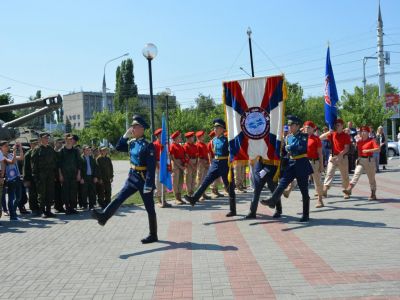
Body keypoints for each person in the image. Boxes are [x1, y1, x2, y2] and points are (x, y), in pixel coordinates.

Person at [91, 115, 158, 244]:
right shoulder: (131, 142)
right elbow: (118, 147)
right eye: (132, 126)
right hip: (132, 177)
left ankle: (153, 234)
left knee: (149, 207)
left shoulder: (148, 145)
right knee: (119, 198)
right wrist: (124, 136)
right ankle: (104, 216)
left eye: (135, 126)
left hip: (144, 179)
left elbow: (151, 167)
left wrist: (149, 184)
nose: (132, 128)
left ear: (142, 128)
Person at [261, 115, 313, 222]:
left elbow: (301, 147)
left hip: (301, 164)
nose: (289, 127)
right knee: (282, 184)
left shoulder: (303, 136)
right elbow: (285, 152)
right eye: (289, 125)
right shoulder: (288, 137)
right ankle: (272, 200)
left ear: (298, 126)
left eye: (292, 125)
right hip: (291, 163)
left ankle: (306, 214)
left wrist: (289, 147)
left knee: (304, 190)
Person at [184, 119, 236, 217]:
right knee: (206, 181)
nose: (215, 129)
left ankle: (233, 210)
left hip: (225, 163)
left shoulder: (227, 140)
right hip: (215, 163)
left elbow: (233, 152)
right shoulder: (213, 140)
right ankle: (194, 198)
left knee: (229, 187)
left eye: (217, 128)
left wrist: (231, 163)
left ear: (222, 129)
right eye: (214, 128)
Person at [343, 126, 380, 200]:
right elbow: (358, 151)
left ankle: (373, 193)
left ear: (368, 133)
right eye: (362, 132)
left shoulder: (372, 140)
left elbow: (378, 149)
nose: (363, 133)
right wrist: (358, 158)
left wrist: (368, 151)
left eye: (365, 131)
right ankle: (349, 189)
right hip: (361, 160)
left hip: (370, 160)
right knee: (356, 173)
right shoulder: (359, 142)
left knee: (371, 178)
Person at [320, 119, 351, 199]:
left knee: (344, 176)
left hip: (342, 157)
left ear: (342, 126)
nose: (336, 127)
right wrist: (328, 132)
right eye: (335, 125)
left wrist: (339, 156)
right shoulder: (332, 134)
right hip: (333, 156)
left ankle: (346, 191)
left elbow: (346, 148)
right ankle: (325, 190)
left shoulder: (346, 136)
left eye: (338, 125)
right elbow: (320, 138)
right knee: (329, 173)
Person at [31, 132, 57, 218]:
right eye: (45, 138)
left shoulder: (50, 148)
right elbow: (34, 164)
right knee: (41, 194)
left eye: (47, 138)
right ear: (40, 139)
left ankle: (48, 211)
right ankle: (42, 211)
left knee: (50, 193)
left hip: (50, 174)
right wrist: (35, 176)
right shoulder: (37, 149)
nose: (46, 139)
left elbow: (54, 161)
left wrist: (55, 174)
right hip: (41, 175)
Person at [58, 134, 81, 214]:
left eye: (71, 139)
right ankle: (67, 207)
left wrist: (78, 174)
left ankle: (72, 207)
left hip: (74, 174)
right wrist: (60, 175)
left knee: (73, 191)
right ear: (66, 140)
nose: (70, 141)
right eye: (68, 139)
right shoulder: (62, 151)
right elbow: (59, 164)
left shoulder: (75, 151)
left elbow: (79, 163)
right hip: (65, 175)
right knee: (65, 192)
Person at [1, 141, 24, 221]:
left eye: (8, 146)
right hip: (10, 180)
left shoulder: (10, 155)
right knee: (11, 198)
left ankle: (13, 212)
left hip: (17, 178)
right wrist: (14, 151)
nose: (8, 147)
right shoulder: (3, 157)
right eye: (5, 146)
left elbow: (21, 158)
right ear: (1, 148)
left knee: (18, 197)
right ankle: (12, 216)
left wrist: (20, 148)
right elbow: (12, 162)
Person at [152, 128, 171, 208]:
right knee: (159, 182)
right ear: (158, 136)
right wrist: (157, 164)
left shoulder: (165, 144)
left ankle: (164, 199)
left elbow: (168, 154)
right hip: (158, 164)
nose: (163, 136)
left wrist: (168, 164)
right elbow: (154, 156)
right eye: (161, 135)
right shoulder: (155, 144)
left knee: (165, 181)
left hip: (165, 164)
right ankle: (159, 200)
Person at [23, 138, 40, 215]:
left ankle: (39, 208)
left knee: (39, 193)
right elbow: (25, 168)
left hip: (39, 177)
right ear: (31, 145)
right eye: (34, 144)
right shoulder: (28, 154)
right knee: (32, 194)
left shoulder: (39, 152)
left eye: (36, 143)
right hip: (31, 177)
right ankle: (33, 208)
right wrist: (26, 179)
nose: (36, 145)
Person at [169, 131, 186, 205]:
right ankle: (176, 197)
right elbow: (172, 158)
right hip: (176, 164)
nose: (180, 138)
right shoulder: (172, 146)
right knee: (175, 181)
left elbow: (183, 156)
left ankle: (179, 196)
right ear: (175, 138)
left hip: (181, 164)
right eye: (179, 137)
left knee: (180, 181)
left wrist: (184, 164)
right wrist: (180, 166)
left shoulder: (180, 146)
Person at [80, 145, 99, 210]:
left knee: (92, 192)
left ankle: (92, 205)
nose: (89, 151)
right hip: (84, 178)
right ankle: (84, 205)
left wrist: (96, 177)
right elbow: (79, 168)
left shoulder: (92, 158)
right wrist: (81, 178)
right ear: (84, 151)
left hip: (91, 177)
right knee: (84, 192)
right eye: (87, 150)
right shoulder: (81, 158)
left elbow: (96, 168)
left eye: (89, 150)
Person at [207, 130, 224, 198]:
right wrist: (211, 163)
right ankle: (213, 190)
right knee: (213, 177)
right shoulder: (210, 143)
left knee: (218, 177)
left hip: (218, 161)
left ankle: (216, 190)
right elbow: (209, 154)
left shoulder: (216, 142)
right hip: (213, 161)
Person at [195, 131, 210, 201]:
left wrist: (208, 162)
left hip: (205, 162)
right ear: (198, 137)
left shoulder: (203, 144)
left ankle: (203, 193)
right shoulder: (197, 145)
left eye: (203, 136)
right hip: (201, 163)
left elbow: (207, 154)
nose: (203, 137)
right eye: (202, 136)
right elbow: (198, 156)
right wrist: (203, 163)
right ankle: (199, 194)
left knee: (204, 179)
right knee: (199, 179)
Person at [183, 131, 198, 197]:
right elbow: (186, 157)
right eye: (192, 137)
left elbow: (197, 155)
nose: (193, 139)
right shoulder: (185, 146)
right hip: (189, 163)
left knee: (193, 179)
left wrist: (196, 164)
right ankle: (189, 193)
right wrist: (192, 165)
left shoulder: (194, 146)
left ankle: (193, 192)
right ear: (188, 138)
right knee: (188, 179)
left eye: (193, 137)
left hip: (194, 162)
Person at [54, 138, 65, 213]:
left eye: (61, 143)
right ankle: (57, 207)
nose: (60, 144)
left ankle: (60, 206)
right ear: (55, 143)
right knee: (56, 192)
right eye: (59, 143)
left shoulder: (61, 152)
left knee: (61, 192)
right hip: (55, 175)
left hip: (62, 174)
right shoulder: (52, 152)